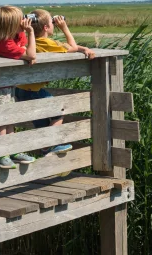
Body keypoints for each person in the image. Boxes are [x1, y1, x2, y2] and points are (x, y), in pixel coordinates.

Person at [15, 9, 95, 155]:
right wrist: (64, 27)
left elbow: (68, 47)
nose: (54, 25)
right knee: (59, 111)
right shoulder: (47, 43)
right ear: (46, 27)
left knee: (43, 124)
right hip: (32, 92)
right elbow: (72, 47)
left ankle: (46, 149)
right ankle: (53, 144)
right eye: (52, 23)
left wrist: (85, 49)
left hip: (22, 89)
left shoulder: (31, 41)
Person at [0, 5, 37, 169]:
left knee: (10, 117)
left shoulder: (15, 36)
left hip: (8, 84)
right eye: (20, 21)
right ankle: (2, 153)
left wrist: (24, 38)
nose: (24, 22)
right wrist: (31, 32)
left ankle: (12, 149)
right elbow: (31, 54)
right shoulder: (3, 42)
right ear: (11, 25)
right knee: (2, 119)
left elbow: (25, 48)